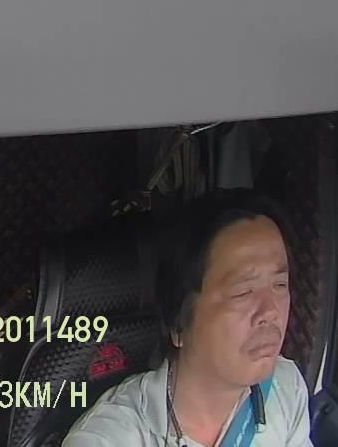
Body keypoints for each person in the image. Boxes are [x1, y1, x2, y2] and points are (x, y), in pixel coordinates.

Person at [64, 191, 313, 447]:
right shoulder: (109, 438)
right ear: (178, 321)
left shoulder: (285, 387)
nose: (270, 311)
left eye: (280, 284)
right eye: (243, 292)